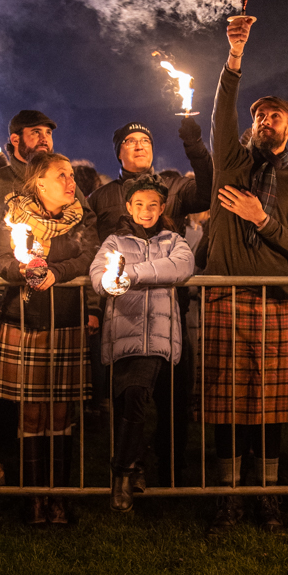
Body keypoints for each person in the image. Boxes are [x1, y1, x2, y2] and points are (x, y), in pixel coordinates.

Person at [0, 110, 97, 488]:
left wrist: (90, 303)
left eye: (48, 132)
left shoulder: (68, 188)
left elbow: (91, 246)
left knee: (51, 396)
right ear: (15, 139)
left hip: (56, 302)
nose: (44, 138)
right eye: (35, 132)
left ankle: (50, 488)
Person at [200, 14, 288, 535]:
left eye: (276, 117)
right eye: (260, 115)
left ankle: (266, 497)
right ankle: (227, 499)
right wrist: (235, 56)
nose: (266, 121)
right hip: (224, 298)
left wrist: (260, 218)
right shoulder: (230, 162)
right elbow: (222, 110)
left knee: (269, 408)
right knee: (227, 406)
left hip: (274, 302)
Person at [89, 118, 212, 486]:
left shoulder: (173, 187)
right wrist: (96, 303)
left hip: (170, 311)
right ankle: (130, 466)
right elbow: (93, 256)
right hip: (124, 316)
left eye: (146, 139)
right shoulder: (102, 197)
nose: (140, 144)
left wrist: (193, 142)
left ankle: (172, 470)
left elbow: (207, 190)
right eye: (130, 140)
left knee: (173, 398)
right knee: (131, 395)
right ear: (119, 153)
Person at [0, 152, 98, 526]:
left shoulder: (80, 218)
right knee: (32, 413)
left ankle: (60, 497)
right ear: (39, 182)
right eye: (62, 176)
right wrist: (21, 269)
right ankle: (34, 498)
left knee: (61, 412)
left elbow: (89, 257)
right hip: (25, 320)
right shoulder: (13, 216)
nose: (71, 182)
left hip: (66, 320)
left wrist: (57, 272)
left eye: (72, 175)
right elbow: (0, 260)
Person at [90, 174, 194, 512]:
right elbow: (98, 276)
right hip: (124, 334)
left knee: (138, 395)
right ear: (128, 207)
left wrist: (133, 275)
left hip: (161, 339)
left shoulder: (173, 239)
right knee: (127, 405)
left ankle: (122, 474)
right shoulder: (114, 242)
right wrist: (110, 280)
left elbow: (182, 266)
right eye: (139, 204)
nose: (146, 210)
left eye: (153, 205)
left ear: (162, 208)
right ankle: (132, 467)